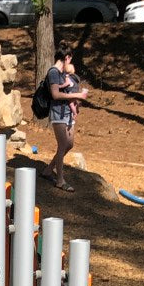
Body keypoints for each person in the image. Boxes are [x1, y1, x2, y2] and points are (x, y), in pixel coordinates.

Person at [43, 48, 88, 192]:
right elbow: (56, 95)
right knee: (62, 145)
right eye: (70, 59)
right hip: (58, 113)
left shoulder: (62, 74)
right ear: (67, 57)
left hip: (68, 113)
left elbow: (66, 90)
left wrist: (76, 101)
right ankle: (60, 180)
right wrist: (79, 96)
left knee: (69, 144)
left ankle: (49, 170)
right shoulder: (53, 72)